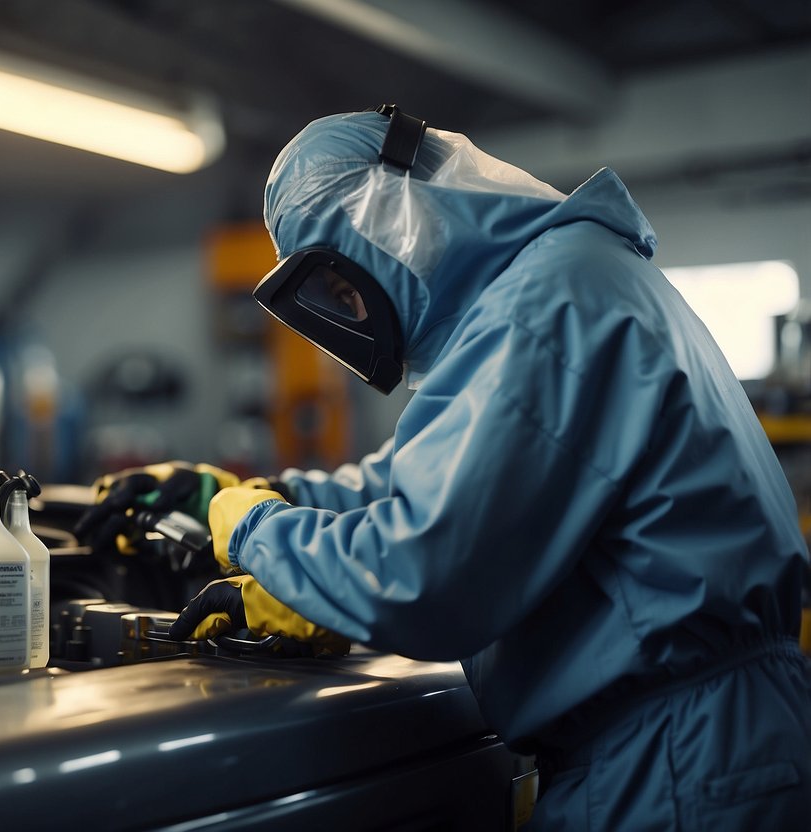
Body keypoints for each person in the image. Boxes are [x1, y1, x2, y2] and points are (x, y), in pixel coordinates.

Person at [73, 106, 811, 829]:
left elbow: (422, 574)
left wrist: (255, 529)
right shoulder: (567, 280)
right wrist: (234, 494)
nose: (348, 307)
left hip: (678, 763)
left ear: (392, 218)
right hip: (700, 742)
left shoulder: (542, 306)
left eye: (340, 281)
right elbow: (416, 482)